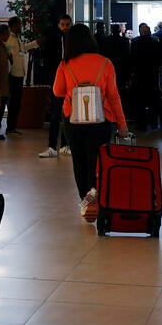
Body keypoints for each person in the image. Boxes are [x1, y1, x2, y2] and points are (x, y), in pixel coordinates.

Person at [53, 24, 128, 222]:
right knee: (98, 162)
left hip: (73, 119)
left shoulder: (65, 64)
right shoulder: (105, 63)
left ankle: (85, 203)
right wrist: (122, 124)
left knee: (79, 162)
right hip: (101, 119)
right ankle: (96, 196)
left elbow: (57, 91)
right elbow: (114, 96)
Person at [39, 14, 73, 158]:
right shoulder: (52, 38)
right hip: (56, 81)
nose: (65, 27)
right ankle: (52, 146)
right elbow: (47, 59)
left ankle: (65, 145)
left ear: (71, 25)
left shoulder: (74, 39)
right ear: (58, 25)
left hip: (70, 82)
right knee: (55, 114)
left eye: (67, 24)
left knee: (68, 114)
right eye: (62, 24)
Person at [4, 16, 38, 136]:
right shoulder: (7, 39)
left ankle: (12, 127)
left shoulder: (18, 38)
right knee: (13, 103)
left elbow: (23, 50)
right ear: (13, 25)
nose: (20, 26)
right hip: (12, 74)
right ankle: (10, 128)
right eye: (19, 24)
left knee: (17, 103)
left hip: (19, 74)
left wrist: (35, 44)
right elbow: (6, 55)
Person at [130, 23, 162, 131]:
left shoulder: (135, 43)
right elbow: (161, 59)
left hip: (139, 76)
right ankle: (154, 122)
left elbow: (131, 60)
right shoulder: (156, 44)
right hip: (152, 75)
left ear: (140, 32)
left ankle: (142, 124)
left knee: (139, 101)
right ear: (149, 32)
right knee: (153, 100)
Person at [101, 24, 131, 91]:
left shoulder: (106, 40)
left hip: (110, 66)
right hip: (122, 67)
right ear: (120, 30)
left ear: (111, 30)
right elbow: (127, 56)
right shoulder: (125, 41)